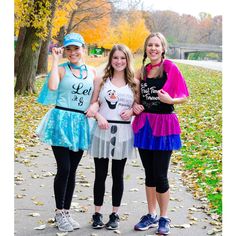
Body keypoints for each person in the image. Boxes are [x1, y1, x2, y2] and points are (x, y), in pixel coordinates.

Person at [36, 32, 95, 232]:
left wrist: (95, 107)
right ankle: (59, 212)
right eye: (68, 49)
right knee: (64, 168)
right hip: (61, 121)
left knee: (73, 171)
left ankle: (66, 211)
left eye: (76, 48)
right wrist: (54, 60)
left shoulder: (92, 72)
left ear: (83, 49)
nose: (72, 52)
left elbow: (96, 97)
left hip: (80, 123)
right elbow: (52, 86)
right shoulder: (61, 69)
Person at [132, 32, 189, 235]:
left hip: (165, 126)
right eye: (150, 45)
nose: (153, 49)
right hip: (145, 125)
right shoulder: (143, 71)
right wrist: (135, 106)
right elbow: (137, 98)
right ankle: (151, 214)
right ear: (146, 49)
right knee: (149, 174)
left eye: (157, 45)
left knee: (160, 174)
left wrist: (171, 101)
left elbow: (184, 96)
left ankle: (164, 218)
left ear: (163, 48)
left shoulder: (170, 68)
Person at [86, 44, 138, 230]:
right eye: (115, 58)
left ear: (127, 60)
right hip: (102, 130)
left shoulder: (134, 83)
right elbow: (93, 105)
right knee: (100, 174)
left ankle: (115, 214)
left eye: (122, 58)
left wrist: (132, 110)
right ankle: (97, 213)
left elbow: (138, 107)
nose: (119, 61)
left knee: (118, 175)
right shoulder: (101, 79)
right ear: (111, 60)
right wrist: (98, 115)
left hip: (123, 133)